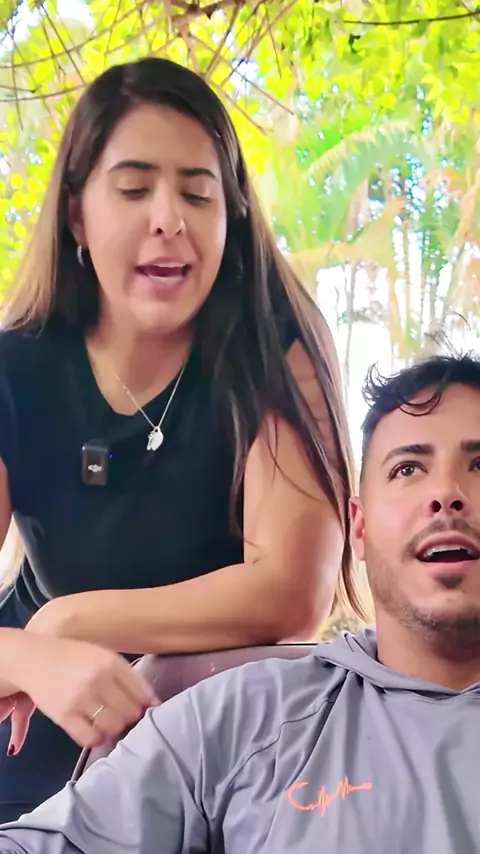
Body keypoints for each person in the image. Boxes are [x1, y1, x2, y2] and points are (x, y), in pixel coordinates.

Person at [0, 56, 360, 821]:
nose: (169, 218)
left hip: (223, 727)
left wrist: (70, 619)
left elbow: (292, 593)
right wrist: (27, 653)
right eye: (134, 190)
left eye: (198, 193)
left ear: (231, 217)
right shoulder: (16, 365)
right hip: (39, 705)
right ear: (76, 215)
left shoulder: (276, 347)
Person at [0, 352, 479, 853]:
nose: (446, 494)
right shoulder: (238, 720)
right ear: (358, 527)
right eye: (408, 468)